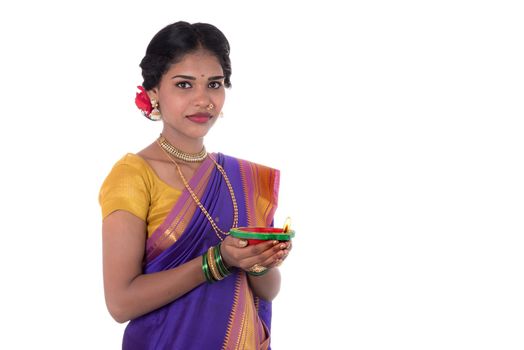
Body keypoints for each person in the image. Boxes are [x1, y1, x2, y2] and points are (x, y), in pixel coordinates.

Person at [99, 21, 292, 350]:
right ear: (153, 92)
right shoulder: (133, 175)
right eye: (184, 85)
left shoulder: (243, 178)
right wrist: (217, 260)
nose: (203, 99)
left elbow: (269, 290)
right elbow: (120, 303)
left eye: (214, 84)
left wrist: (261, 260)